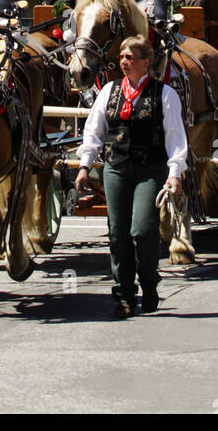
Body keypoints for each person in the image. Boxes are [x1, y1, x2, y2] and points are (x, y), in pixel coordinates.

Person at [75, 35, 187, 316]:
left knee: (143, 229)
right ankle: (124, 294)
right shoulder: (109, 91)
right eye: (122, 57)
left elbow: (175, 136)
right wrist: (85, 165)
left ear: (145, 62)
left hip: (150, 168)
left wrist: (175, 172)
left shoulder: (164, 94)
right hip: (116, 167)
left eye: (130, 58)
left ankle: (149, 283)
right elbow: (94, 131)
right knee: (118, 233)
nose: (124, 62)